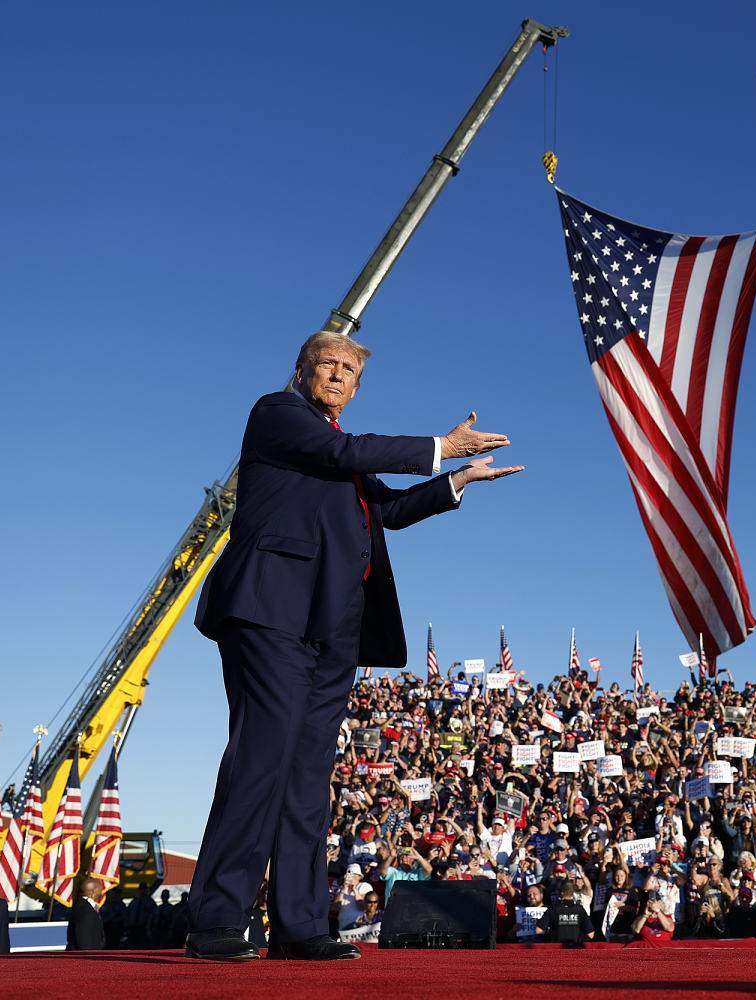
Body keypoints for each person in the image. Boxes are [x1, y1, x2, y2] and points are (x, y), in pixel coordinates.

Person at [185, 331, 521, 962]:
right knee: (263, 757)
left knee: (310, 775)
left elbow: (385, 510)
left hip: (335, 627)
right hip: (270, 611)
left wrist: (454, 479)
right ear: (301, 372)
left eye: (349, 370)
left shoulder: (346, 454)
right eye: (327, 365)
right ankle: (217, 918)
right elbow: (345, 452)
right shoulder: (280, 415)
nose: (338, 375)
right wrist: (438, 445)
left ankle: (300, 925)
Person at [67, 878, 107, 951]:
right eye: (100, 888)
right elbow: (84, 937)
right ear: (94, 890)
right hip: (85, 955)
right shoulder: (85, 910)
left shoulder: (84, 906)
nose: (102, 891)